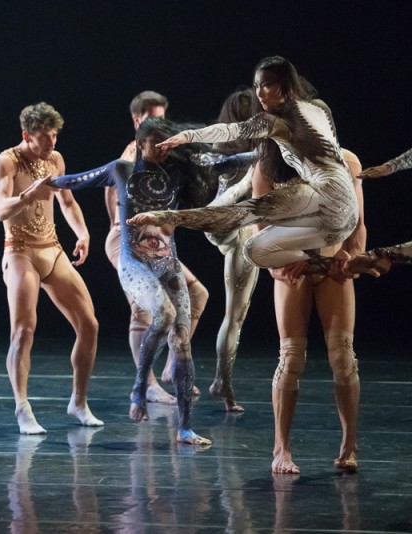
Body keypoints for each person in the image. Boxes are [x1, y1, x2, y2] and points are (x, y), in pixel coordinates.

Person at [37, 116, 218, 445]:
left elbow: (220, 163)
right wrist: (47, 184)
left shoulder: (174, 170)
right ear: (141, 142)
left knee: (182, 342)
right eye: (156, 144)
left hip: (167, 260)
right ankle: (139, 388)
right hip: (133, 260)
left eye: (167, 144)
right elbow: (78, 180)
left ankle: (186, 428)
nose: (162, 150)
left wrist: (254, 153)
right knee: (162, 314)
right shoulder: (122, 169)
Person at [128, 56, 358, 273]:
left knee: (239, 215)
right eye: (256, 86)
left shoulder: (276, 122)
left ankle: (168, 216)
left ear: (284, 84)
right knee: (254, 250)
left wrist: (187, 136)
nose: (259, 93)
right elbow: (336, 152)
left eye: (266, 85)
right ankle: (330, 264)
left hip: (329, 197)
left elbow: (232, 130)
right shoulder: (320, 107)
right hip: (344, 219)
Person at [0, 102, 103, 434]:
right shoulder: (6, 161)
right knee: (24, 330)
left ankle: (78, 401)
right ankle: (22, 407)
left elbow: (67, 201)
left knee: (90, 325)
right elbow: (0, 209)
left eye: (54, 135)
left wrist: (82, 232)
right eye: (44, 137)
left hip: (52, 250)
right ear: (27, 135)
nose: (51, 143)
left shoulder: (55, 159)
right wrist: (29, 195)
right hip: (20, 252)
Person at [266, 148, 365, 474]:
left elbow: (358, 224)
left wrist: (351, 255)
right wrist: (274, 266)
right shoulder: (269, 164)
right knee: (291, 357)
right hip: (292, 266)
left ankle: (349, 445)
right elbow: (258, 228)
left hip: (331, 265)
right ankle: (281, 449)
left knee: (342, 356)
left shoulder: (347, 162)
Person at [109, 91, 207, 404]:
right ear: (137, 120)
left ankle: (172, 367)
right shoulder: (132, 155)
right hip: (128, 241)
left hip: (159, 242)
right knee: (142, 308)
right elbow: (118, 199)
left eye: (163, 119)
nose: (160, 125)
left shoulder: (162, 153)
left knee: (198, 294)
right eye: (153, 118)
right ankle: (146, 383)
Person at [204, 88, 260, 412]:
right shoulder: (259, 150)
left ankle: (220, 381)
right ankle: (223, 384)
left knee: (234, 313)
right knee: (234, 314)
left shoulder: (218, 146)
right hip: (239, 226)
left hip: (221, 224)